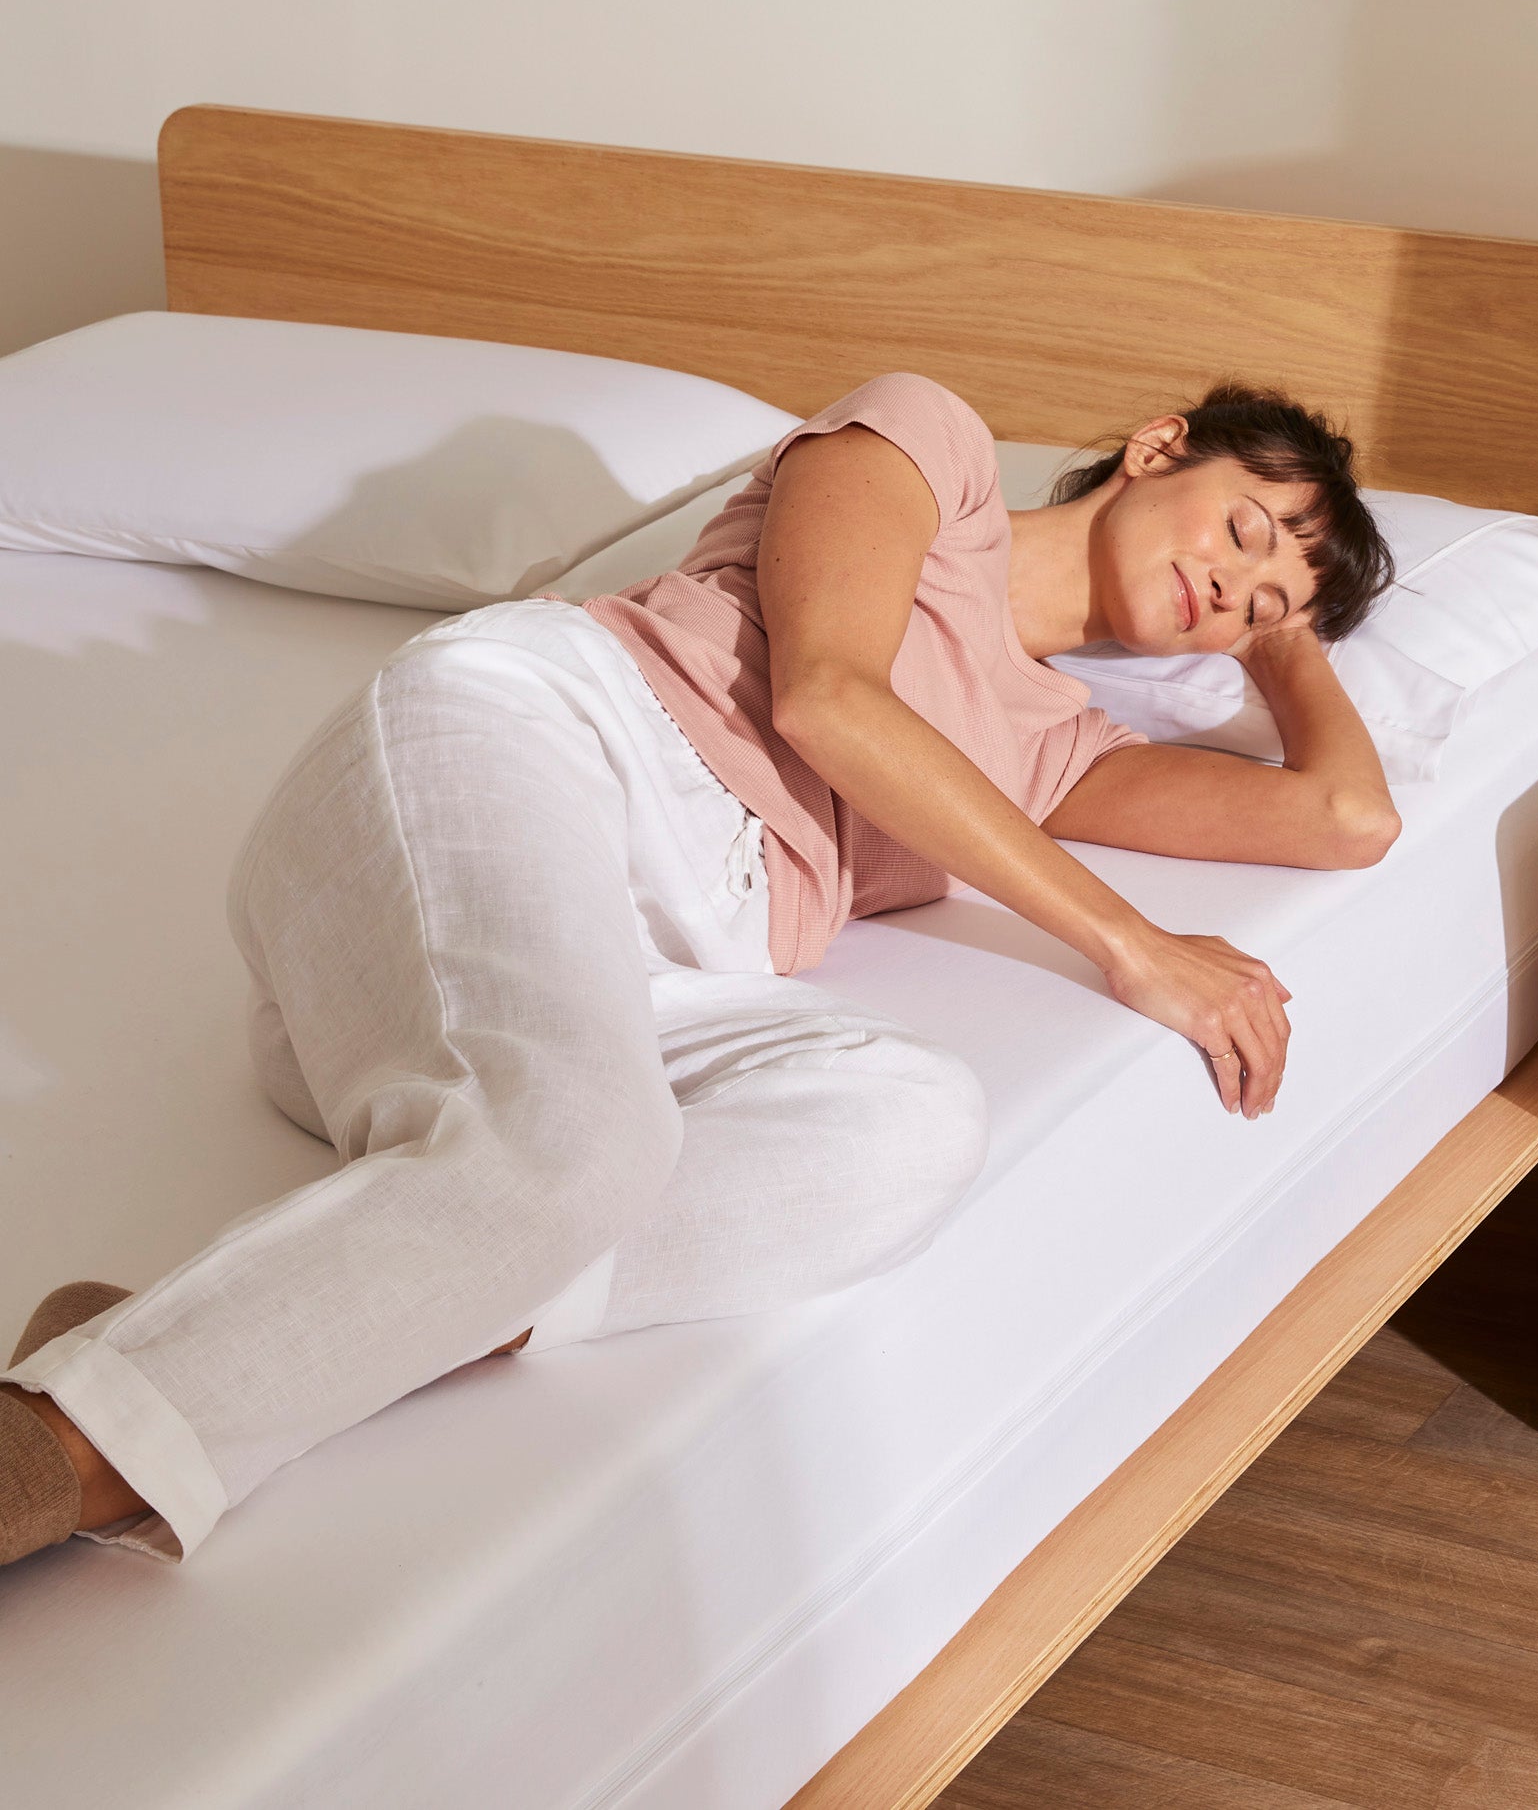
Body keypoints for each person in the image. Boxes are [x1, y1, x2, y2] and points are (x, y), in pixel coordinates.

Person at [0, 371, 1396, 1568]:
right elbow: (828, 697)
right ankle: (56, 1449)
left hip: (609, 978)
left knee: (911, 1125)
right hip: (527, 748)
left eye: (1256, 599)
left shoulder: (1060, 751)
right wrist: (1132, 944)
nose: (1234, 583)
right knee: (580, 1147)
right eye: (1246, 527)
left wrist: (1288, 641)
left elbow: (1348, 818)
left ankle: (241, 1329)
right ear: (1158, 446)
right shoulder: (931, 448)